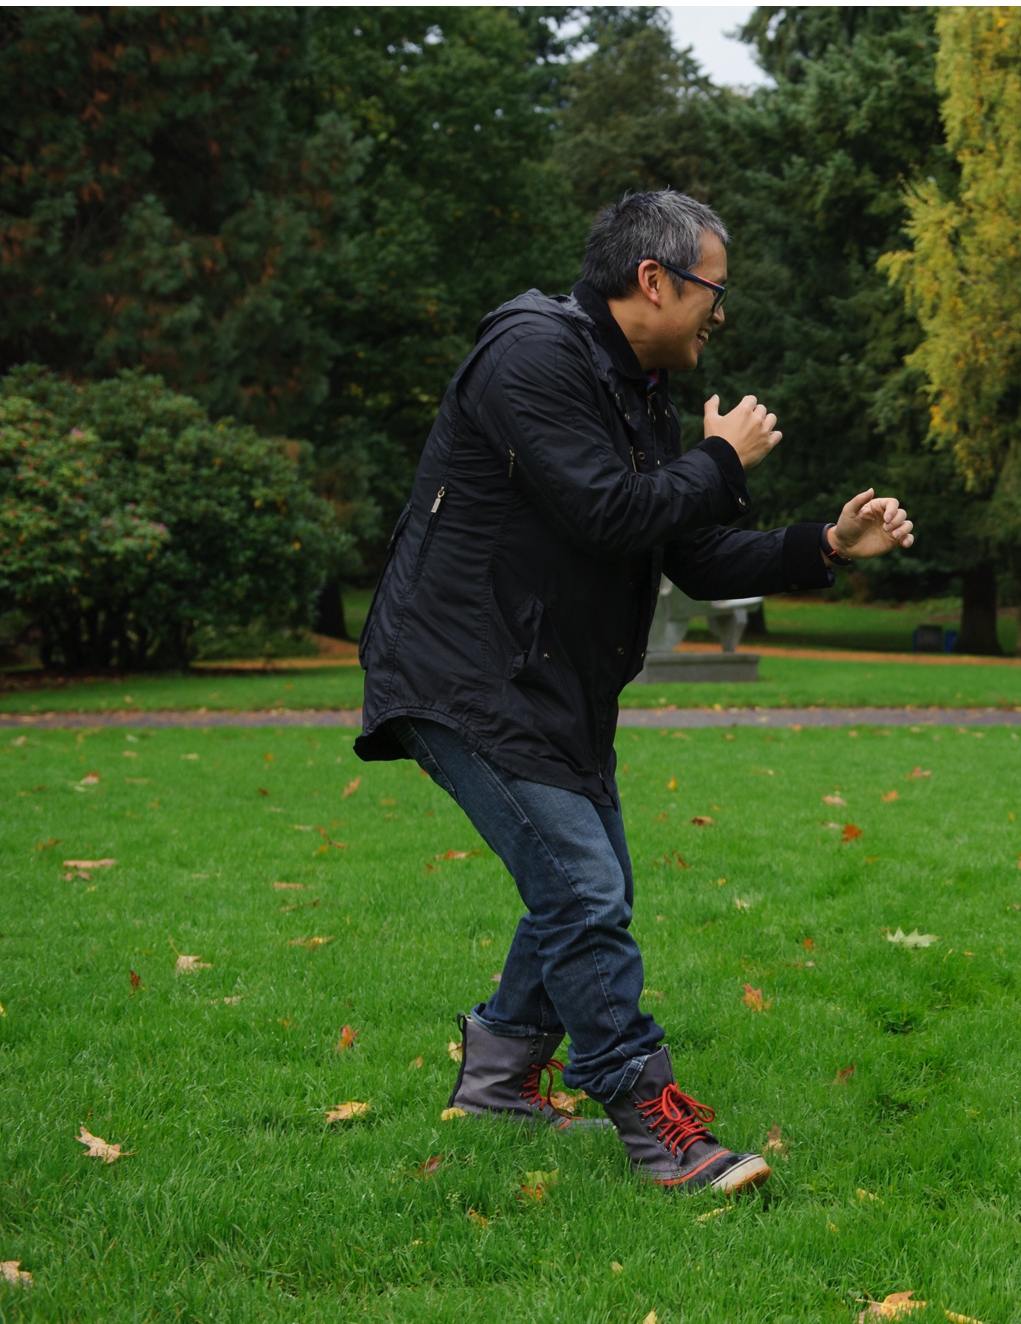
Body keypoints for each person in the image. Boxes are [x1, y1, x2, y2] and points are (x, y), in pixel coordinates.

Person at [352, 190, 915, 1193]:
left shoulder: (636, 390)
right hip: (462, 671)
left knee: (584, 881)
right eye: (713, 292)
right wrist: (720, 457)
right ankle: (653, 1120)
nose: (719, 315)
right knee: (582, 888)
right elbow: (606, 512)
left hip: (550, 683)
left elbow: (687, 552)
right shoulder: (531, 356)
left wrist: (825, 544)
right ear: (654, 280)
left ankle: (498, 1078)